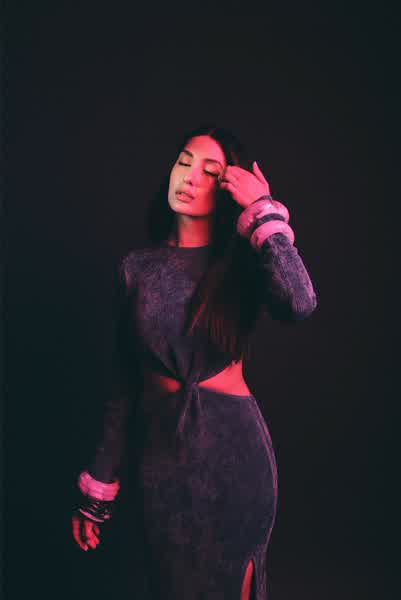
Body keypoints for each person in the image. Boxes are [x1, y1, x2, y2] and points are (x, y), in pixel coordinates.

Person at [72, 125, 317, 599]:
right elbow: (124, 387)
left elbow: (300, 303)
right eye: (184, 162)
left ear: (226, 189)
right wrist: (98, 486)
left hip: (235, 457)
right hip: (161, 461)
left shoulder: (244, 261)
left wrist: (262, 211)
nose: (189, 177)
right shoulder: (137, 268)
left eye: (210, 172)